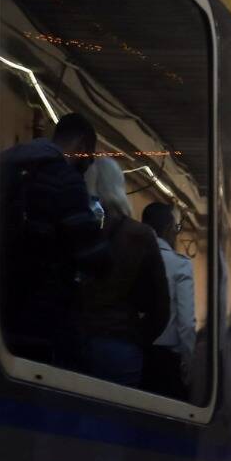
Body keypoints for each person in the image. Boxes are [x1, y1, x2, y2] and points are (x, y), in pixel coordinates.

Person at [0, 113, 110, 364]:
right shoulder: (64, 179)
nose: (90, 161)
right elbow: (92, 255)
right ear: (81, 146)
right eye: (89, 154)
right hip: (44, 314)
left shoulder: (9, 167)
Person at [78, 157, 171, 387]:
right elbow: (160, 305)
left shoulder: (78, 228)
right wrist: (138, 338)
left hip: (78, 340)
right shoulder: (139, 235)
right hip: (122, 345)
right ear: (119, 187)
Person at [143, 200, 197, 401]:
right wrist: (189, 362)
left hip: (135, 351)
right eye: (177, 228)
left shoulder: (132, 254)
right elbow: (186, 322)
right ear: (168, 229)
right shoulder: (180, 265)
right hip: (165, 361)